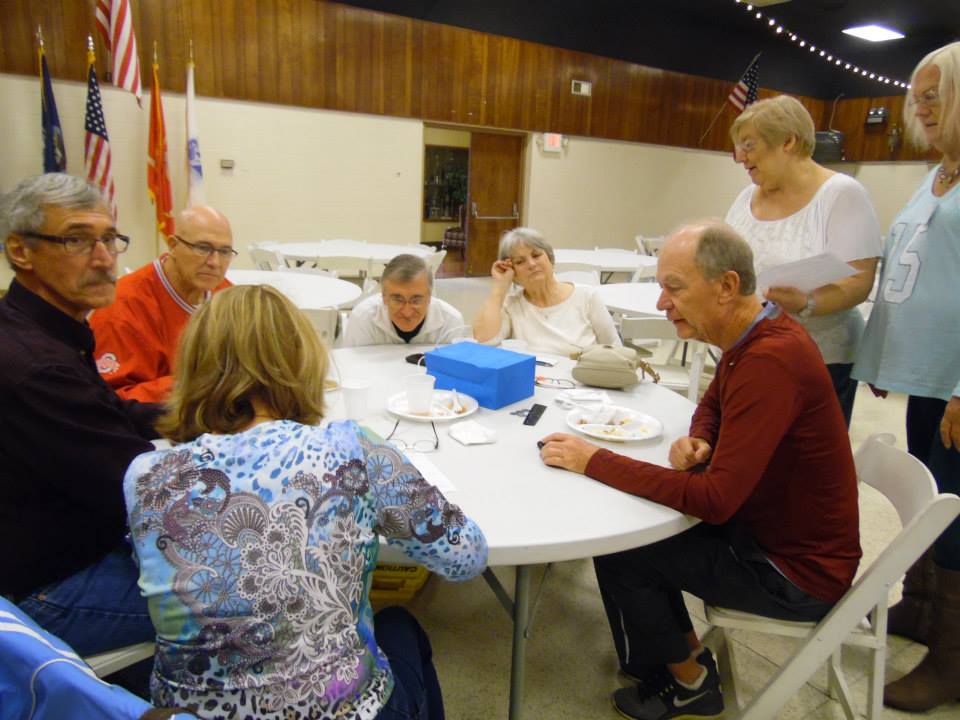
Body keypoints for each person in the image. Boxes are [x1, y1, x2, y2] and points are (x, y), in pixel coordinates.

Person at [539, 221, 861, 720]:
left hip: (794, 574)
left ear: (726, 286)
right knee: (634, 531)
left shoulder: (771, 359)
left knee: (623, 549)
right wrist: (705, 436)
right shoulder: (757, 332)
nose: (662, 303)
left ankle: (690, 683)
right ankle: (672, 660)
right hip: (772, 534)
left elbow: (715, 501)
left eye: (674, 287)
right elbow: (713, 401)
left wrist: (594, 460)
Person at [124, 284, 488, 719]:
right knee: (400, 625)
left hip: (190, 713)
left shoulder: (146, 475)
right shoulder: (351, 448)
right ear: (301, 360)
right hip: (341, 707)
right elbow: (465, 557)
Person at [0, 173, 159, 655]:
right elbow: (144, 486)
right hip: (46, 590)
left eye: (109, 239)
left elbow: (107, 413)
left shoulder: (40, 329)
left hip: (65, 547)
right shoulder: (37, 366)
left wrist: (195, 415)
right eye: (77, 240)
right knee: (264, 587)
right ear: (20, 251)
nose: (105, 258)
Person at [852, 41, 960, 713]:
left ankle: (953, 659)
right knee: (930, 502)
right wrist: (884, 353)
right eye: (915, 96)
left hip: (955, 382)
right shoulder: (938, 173)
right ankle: (922, 606)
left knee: (955, 511)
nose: (919, 107)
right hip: (926, 374)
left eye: (933, 95)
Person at [725, 95, 882, 426]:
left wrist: (807, 303)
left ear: (788, 141)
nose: (741, 157)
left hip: (818, 359)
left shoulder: (842, 194)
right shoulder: (745, 197)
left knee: (802, 453)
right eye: (739, 148)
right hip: (750, 350)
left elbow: (859, 280)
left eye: (749, 145)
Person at [89, 206, 235, 402]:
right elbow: (110, 400)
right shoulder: (123, 306)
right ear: (173, 245)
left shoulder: (227, 297)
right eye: (203, 248)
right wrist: (197, 385)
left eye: (224, 251)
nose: (215, 262)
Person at [473, 227, 621, 355]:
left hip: (582, 378)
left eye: (536, 255)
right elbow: (484, 341)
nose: (531, 264)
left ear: (550, 258)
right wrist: (500, 287)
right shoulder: (511, 305)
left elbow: (616, 349)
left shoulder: (586, 296)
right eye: (520, 262)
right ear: (514, 273)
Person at [343, 253, 465, 346]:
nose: (407, 312)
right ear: (384, 297)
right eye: (398, 299)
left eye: (416, 300)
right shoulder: (363, 318)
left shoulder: (451, 322)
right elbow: (351, 368)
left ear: (429, 297)